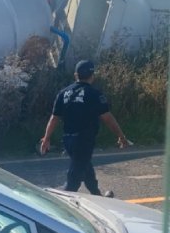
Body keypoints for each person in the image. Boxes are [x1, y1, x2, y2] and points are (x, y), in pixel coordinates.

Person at [39, 60, 130, 196]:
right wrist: (121, 136)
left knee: (85, 167)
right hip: (84, 140)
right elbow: (107, 118)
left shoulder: (64, 93)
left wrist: (46, 138)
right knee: (73, 179)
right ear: (92, 75)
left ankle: (97, 195)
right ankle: (63, 204)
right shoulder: (94, 94)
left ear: (76, 75)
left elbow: (54, 118)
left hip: (68, 140)